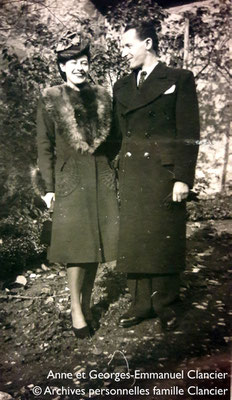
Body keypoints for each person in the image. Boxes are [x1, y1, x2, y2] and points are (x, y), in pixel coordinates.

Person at [110, 22, 200, 331]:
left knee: (164, 236)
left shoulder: (179, 79)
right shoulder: (121, 86)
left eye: (127, 46)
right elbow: (115, 136)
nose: (124, 53)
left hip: (164, 172)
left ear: (147, 43)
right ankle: (141, 303)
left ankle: (165, 302)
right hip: (133, 172)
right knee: (134, 236)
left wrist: (183, 177)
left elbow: (189, 134)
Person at [36, 31, 119, 339]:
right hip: (69, 179)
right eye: (72, 63)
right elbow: (43, 146)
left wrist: (112, 168)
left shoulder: (101, 97)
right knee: (76, 246)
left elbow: (115, 140)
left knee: (95, 243)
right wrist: (48, 187)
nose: (79, 68)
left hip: (99, 176)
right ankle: (76, 308)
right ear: (62, 68)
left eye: (83, 62)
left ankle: (86, 301)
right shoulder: (51, 99)